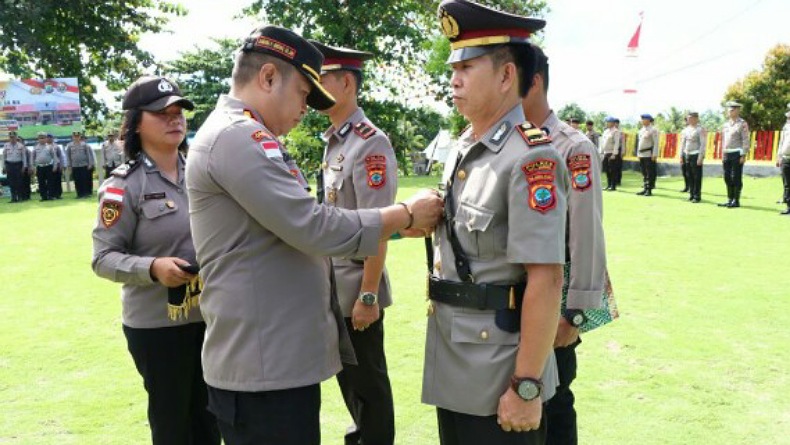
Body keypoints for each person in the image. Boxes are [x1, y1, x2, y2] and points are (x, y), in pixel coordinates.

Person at [185, 26, 443, 445]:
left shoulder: (249, 136)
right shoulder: (239, 137)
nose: (306, 108)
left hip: (272, 362)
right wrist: (406, 212)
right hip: (262, 370)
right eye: (304, 93)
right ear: (268, 77)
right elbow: (313, 225)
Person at [423, 2, 569, 444]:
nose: (454, 78)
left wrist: (527, 387)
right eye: (454, 67)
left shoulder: (531, 157)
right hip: (455, 359)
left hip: (500, 371)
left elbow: (545, 278)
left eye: (467, 67)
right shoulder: (466, 147)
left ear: (507, 76)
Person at [92, 75, 220, 445]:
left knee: (211, 417)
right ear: (135, 124)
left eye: (179, 112)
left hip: (211, 317)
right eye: (162, 113)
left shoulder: (204, 173)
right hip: (157, 326)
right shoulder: (123, 186)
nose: (175, 119)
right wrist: (152, 268)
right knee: (173, 423)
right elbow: (102, 257)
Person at [311, 40, 397, 445]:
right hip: (333, 283)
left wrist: (368, 294)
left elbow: (378, 226)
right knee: (352, 384)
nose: (314, 86)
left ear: (346, 83)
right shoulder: (336, 141)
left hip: (356, 289)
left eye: (322, 78)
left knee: (368, 386)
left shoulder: (369, 143)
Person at [522, 44, 607, 445]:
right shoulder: (507, 141)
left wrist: (574, 313)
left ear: (533, 81)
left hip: (555, 301)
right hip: (512, 298)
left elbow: (586, 233)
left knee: (554, 400)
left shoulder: (573, 147)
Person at [718, 101, 750, 208]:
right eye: (728, 110)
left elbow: (745, 140)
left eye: (731, 110)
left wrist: (743, 154)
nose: (729, 112)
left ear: (737, 110)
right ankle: (729, 199)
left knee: (736, 177)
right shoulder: (726, 124)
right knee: (727, 177)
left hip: (737, 153)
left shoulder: (742, 123)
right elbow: (723, 140)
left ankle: (736, 200)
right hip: (727, 153)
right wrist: (722, 152)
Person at [679, 112, 707, 203]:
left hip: (696, 154)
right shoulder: (686, 130)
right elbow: (683, 144)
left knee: (696, 176)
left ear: (696, 119)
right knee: (689, 175)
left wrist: (700, 157)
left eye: (691, 118)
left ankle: (697, 196)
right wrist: (681, 155)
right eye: (688, 118)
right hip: (687, 154)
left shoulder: (700, 129)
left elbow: (703, 144)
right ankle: (691, 194)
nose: (689, 120)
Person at [67, 130, 96, 198]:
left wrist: (90, 164)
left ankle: (85, 193)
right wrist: (69, 165)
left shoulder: (84, 145)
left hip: (84, 165)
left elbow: (88, 155)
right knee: (77, 180)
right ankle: (79, 194)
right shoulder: (69, 145)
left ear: (80, 137)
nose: (76, 138)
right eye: (75, 136)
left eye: (77, 136)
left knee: (84, 180)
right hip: (75, 165)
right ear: (72, 137)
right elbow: (68, 156)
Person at [635, 114, 659, 196]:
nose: (641, 121)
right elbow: (639, 143)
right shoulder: (641, 130)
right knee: (644, 173)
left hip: (649, 154)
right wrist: (638, 153)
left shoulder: (653, 130)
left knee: (649, 172)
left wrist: (654, 154)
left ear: (648, 120)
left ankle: (649, 189)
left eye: (643, 119)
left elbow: (656, 143)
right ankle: (645, 188)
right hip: (642, 154)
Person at [2, 131, 27, 203]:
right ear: (9, 138)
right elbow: (4, 157)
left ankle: (20, 197)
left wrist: (24, 166)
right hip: (9, 165)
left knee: (19, 182)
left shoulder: (20, 146)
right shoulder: (6, 145)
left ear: (16, 137)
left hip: (18, 165)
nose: (12, 139)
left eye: (13, 137)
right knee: (11, 182)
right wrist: (4, 166)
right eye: (11, 137)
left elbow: (24, 157)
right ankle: (13, 198)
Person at [32, 131, 58, 201]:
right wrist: (33, 167)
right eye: (40, 138)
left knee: (50, 182)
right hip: (40, 167)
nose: (41, 139)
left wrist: (55, 166)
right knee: (41, 183)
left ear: (46, 138)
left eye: (43, 138)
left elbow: (54, 157)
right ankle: (43, 197)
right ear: (38, 139)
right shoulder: (35, 147)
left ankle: (51, 196)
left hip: (48, 166)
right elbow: (32, 158)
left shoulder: (50, 147)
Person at [599, 117, 621, 191]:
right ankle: (608, 184)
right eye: (606, 122)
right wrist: (601, 152)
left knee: (612, 170)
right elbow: (602, 142)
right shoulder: (606, 131)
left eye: (608, 122)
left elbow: (616, 143)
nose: (606, 123)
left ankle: (613, 185)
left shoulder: (616, 131)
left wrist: (614, 154)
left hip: (612, 152)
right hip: (605, 152)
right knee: (607, 169)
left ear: (612, 123)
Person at [777, 109, 790, 215]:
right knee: (787, 184)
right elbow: (781, 143)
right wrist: (779, 156)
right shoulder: (786, 127)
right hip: (786, 158)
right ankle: (789, 206)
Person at [48, 134, 66, 199]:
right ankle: (51, 194)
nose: (49, 139)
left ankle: (58, 194)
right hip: (48, 166)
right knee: (50, 181)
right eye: (48, 138)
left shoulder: (56, 146)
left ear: (53, 138)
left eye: (50, 138)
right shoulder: (44, 146)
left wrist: (62, 165)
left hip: (57, 165)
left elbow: (61, 156)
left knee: (57, 180)